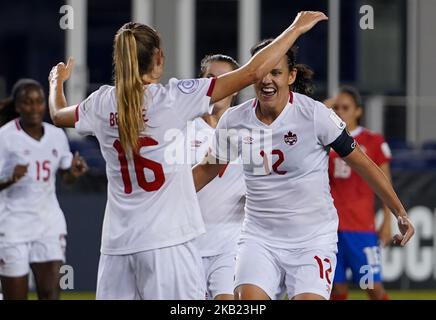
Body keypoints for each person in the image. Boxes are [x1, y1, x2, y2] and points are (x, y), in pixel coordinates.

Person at [47, 12, 329, 299]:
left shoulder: (101, 102)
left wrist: (56, 82)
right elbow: (252, 72)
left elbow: (58, 115)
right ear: (159, 57)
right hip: (168, 242)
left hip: (116, 246)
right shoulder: (174, 98)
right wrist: (294, 29)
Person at [192, 39, 415, 300]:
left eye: (276, 72)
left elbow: (364, 165)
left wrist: (399, 211)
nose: (267, 80)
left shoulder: (315, 115)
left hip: (312, 240)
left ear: (291, 76)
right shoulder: (235, 120)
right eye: (261, 71)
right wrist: (163, 196)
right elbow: (207, 171)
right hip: (258, 238)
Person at [0, 79, 88, 300]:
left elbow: (65, 179)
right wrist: (10, 179)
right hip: (12, 227)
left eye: (39, 102)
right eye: (28, 102)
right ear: (18, 106)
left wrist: (73, 173)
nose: (34, 107)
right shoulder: (5, 137)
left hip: (48, 225)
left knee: (50, 294)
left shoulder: (56, 135)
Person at [327, 86, 392, 300]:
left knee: (371, 286)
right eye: (336, 107)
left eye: (346, 107)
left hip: (361, 229)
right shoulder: (325, 140)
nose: (340, 111)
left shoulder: (373, 141)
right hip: (330, 230)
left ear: (358, 111)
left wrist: (387, 221)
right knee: (335, 289)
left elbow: (384, 183)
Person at [191, 54, 245, 300]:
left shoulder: (250, 132)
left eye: (225, 79)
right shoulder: (181, 129)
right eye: (211, 79)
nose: (218, 85)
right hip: (187, 246)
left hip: (230, 246)